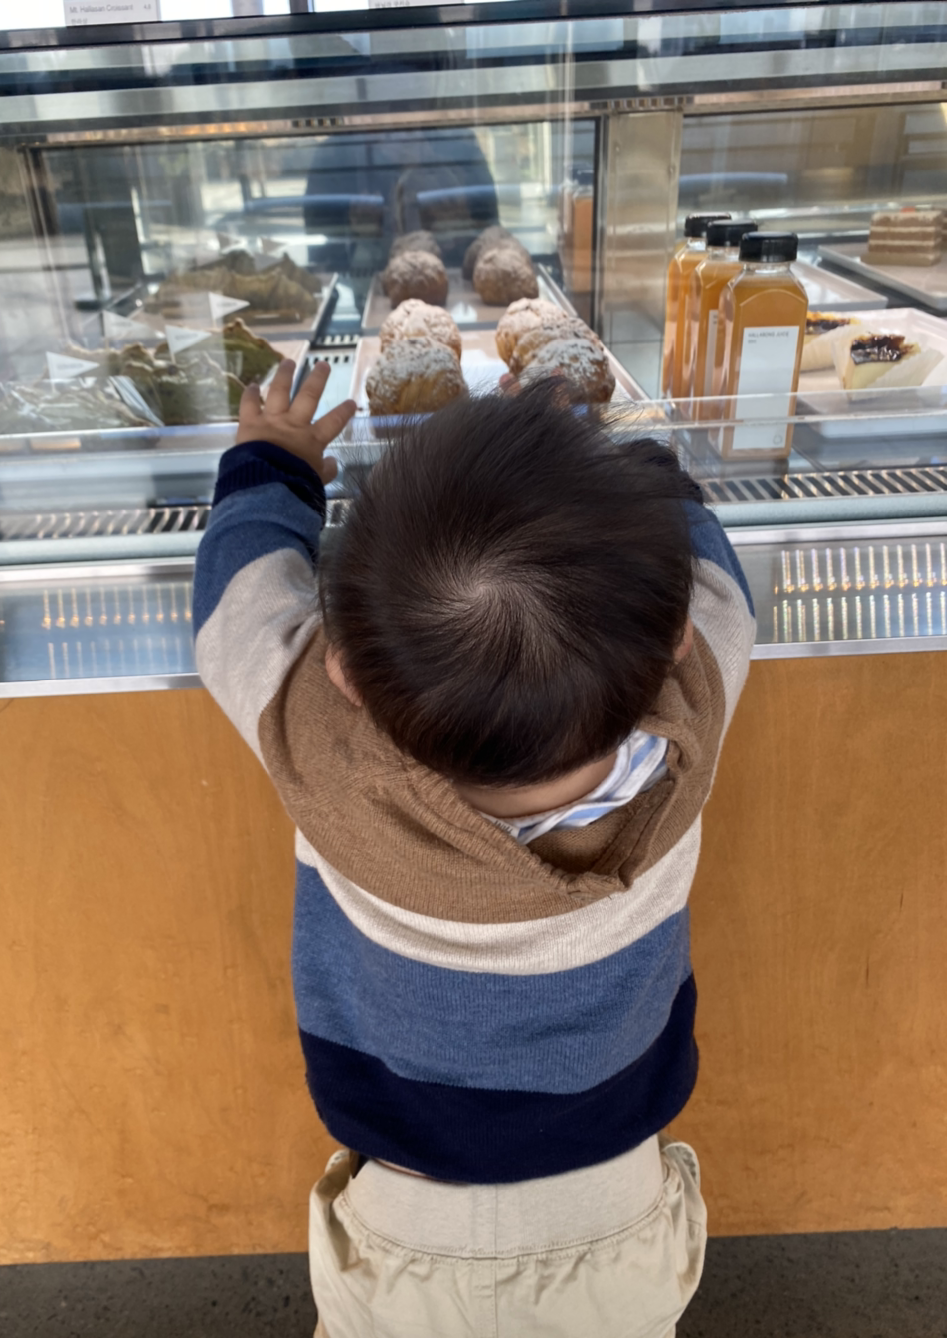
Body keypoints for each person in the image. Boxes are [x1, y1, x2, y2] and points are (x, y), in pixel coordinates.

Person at [193, 359, 756, 1338]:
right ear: (674, 639)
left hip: (403, 1224)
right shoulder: (697, 704)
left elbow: (235, 605)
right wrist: (618, 458)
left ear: (344, 678)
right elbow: (712, 565)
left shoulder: (320, 748)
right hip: (616, 1210)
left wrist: (270, 462)